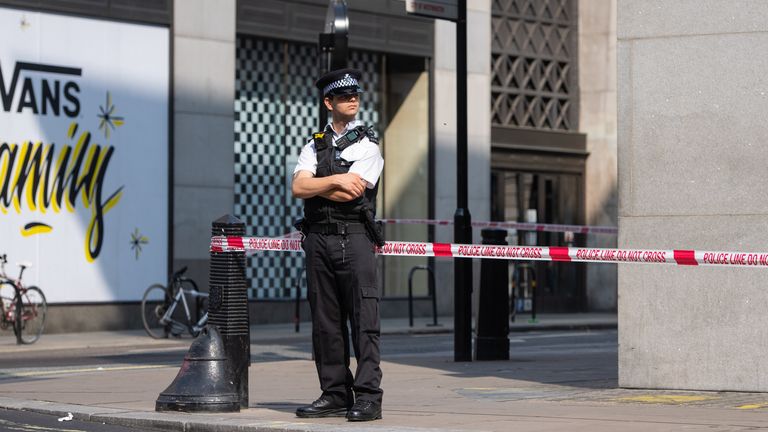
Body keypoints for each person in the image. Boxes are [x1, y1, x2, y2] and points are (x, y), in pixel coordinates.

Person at [291, 68, 385, 422]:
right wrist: (336, 178)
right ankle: (334, 393)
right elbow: (298, 188)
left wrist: (320, 181)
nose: (353, 100)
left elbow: (353, 191)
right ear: (328, 102)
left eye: (355, 94)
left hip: (354, 238)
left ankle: (368, 397)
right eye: (344, 96)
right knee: (325, 323)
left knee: (364, 320)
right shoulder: (312, 144)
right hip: (318, 240)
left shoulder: (368, 145)